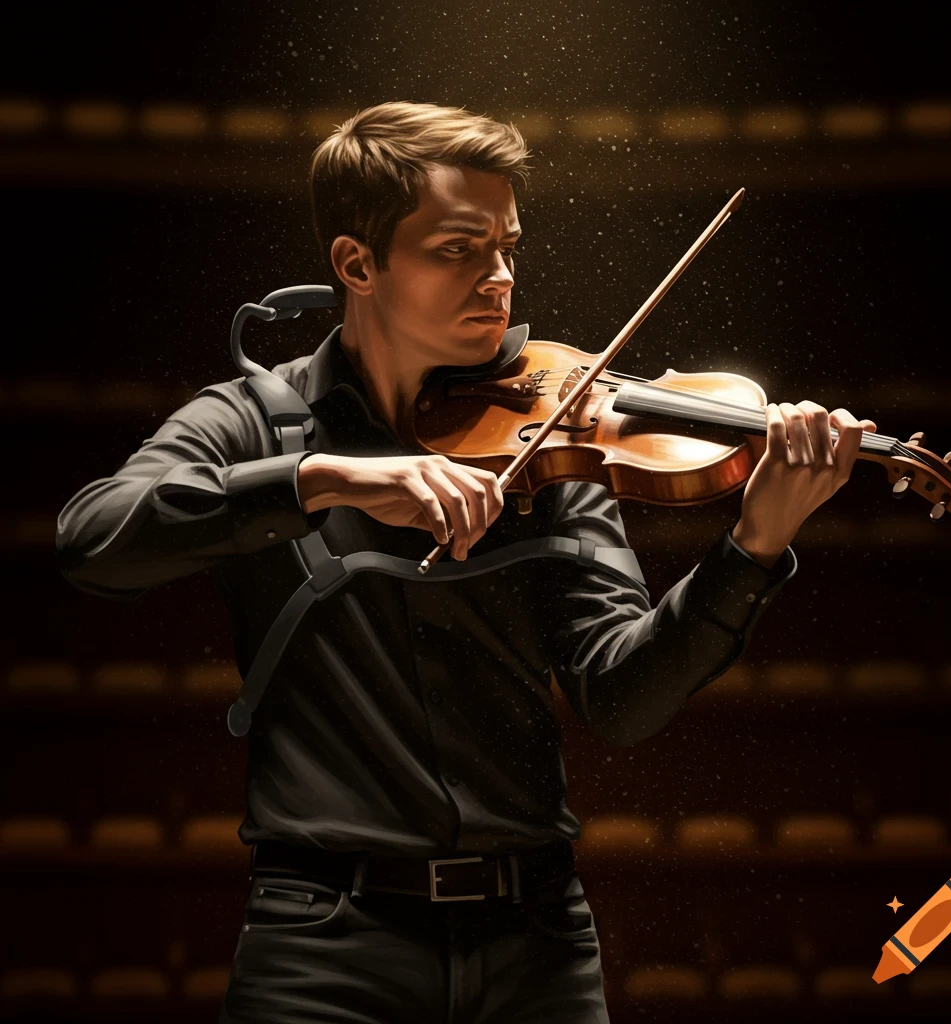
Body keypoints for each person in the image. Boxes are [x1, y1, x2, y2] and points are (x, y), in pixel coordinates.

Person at [55, 100, 875, 1024]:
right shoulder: (255, 422)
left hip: (536, 940)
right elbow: (92, 541)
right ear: (357, 264)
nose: (500, 279)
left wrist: (754, 544)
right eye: (459, 249)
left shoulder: (556, 431)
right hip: (324, 942)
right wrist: (320, 481)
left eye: (508, 247)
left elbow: (622, 699)